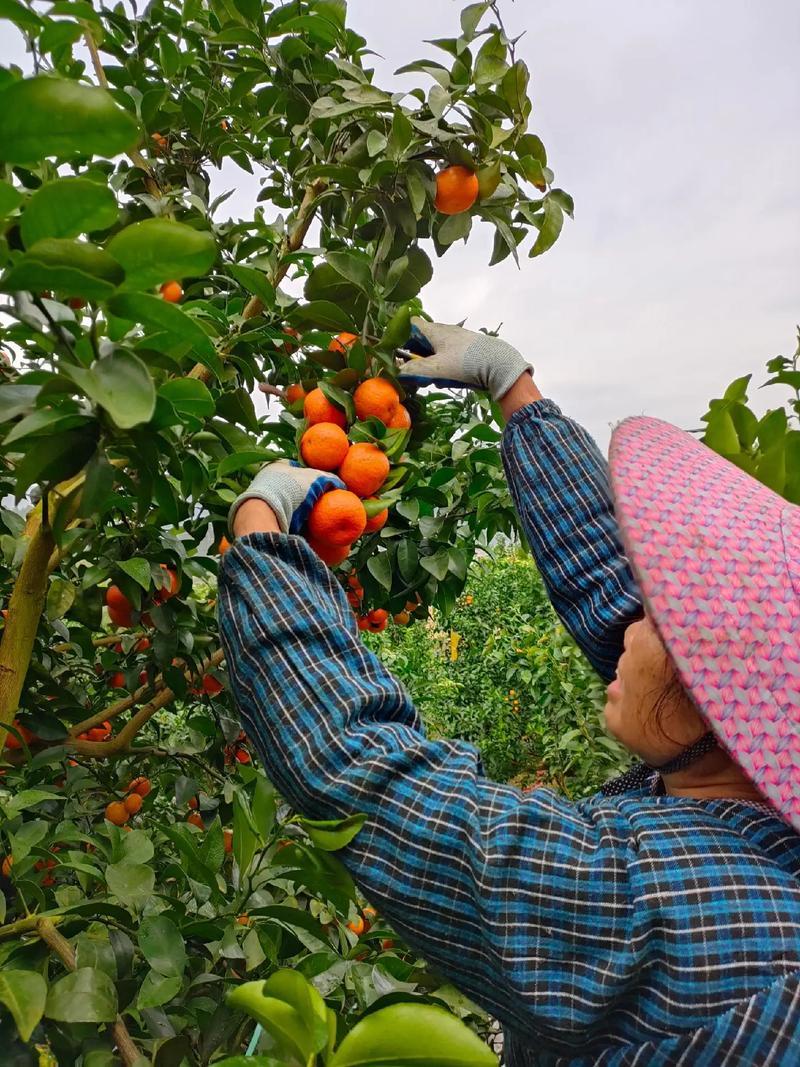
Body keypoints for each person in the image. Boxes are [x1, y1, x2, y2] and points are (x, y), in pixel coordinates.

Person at [220, 320, 800, 1065]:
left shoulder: (682, 922)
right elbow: (614, 587)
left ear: (717, 695)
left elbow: (368, 774)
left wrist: (261, 532)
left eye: (660, 620)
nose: (631, 624)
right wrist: (511, 384)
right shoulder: (753, 798)